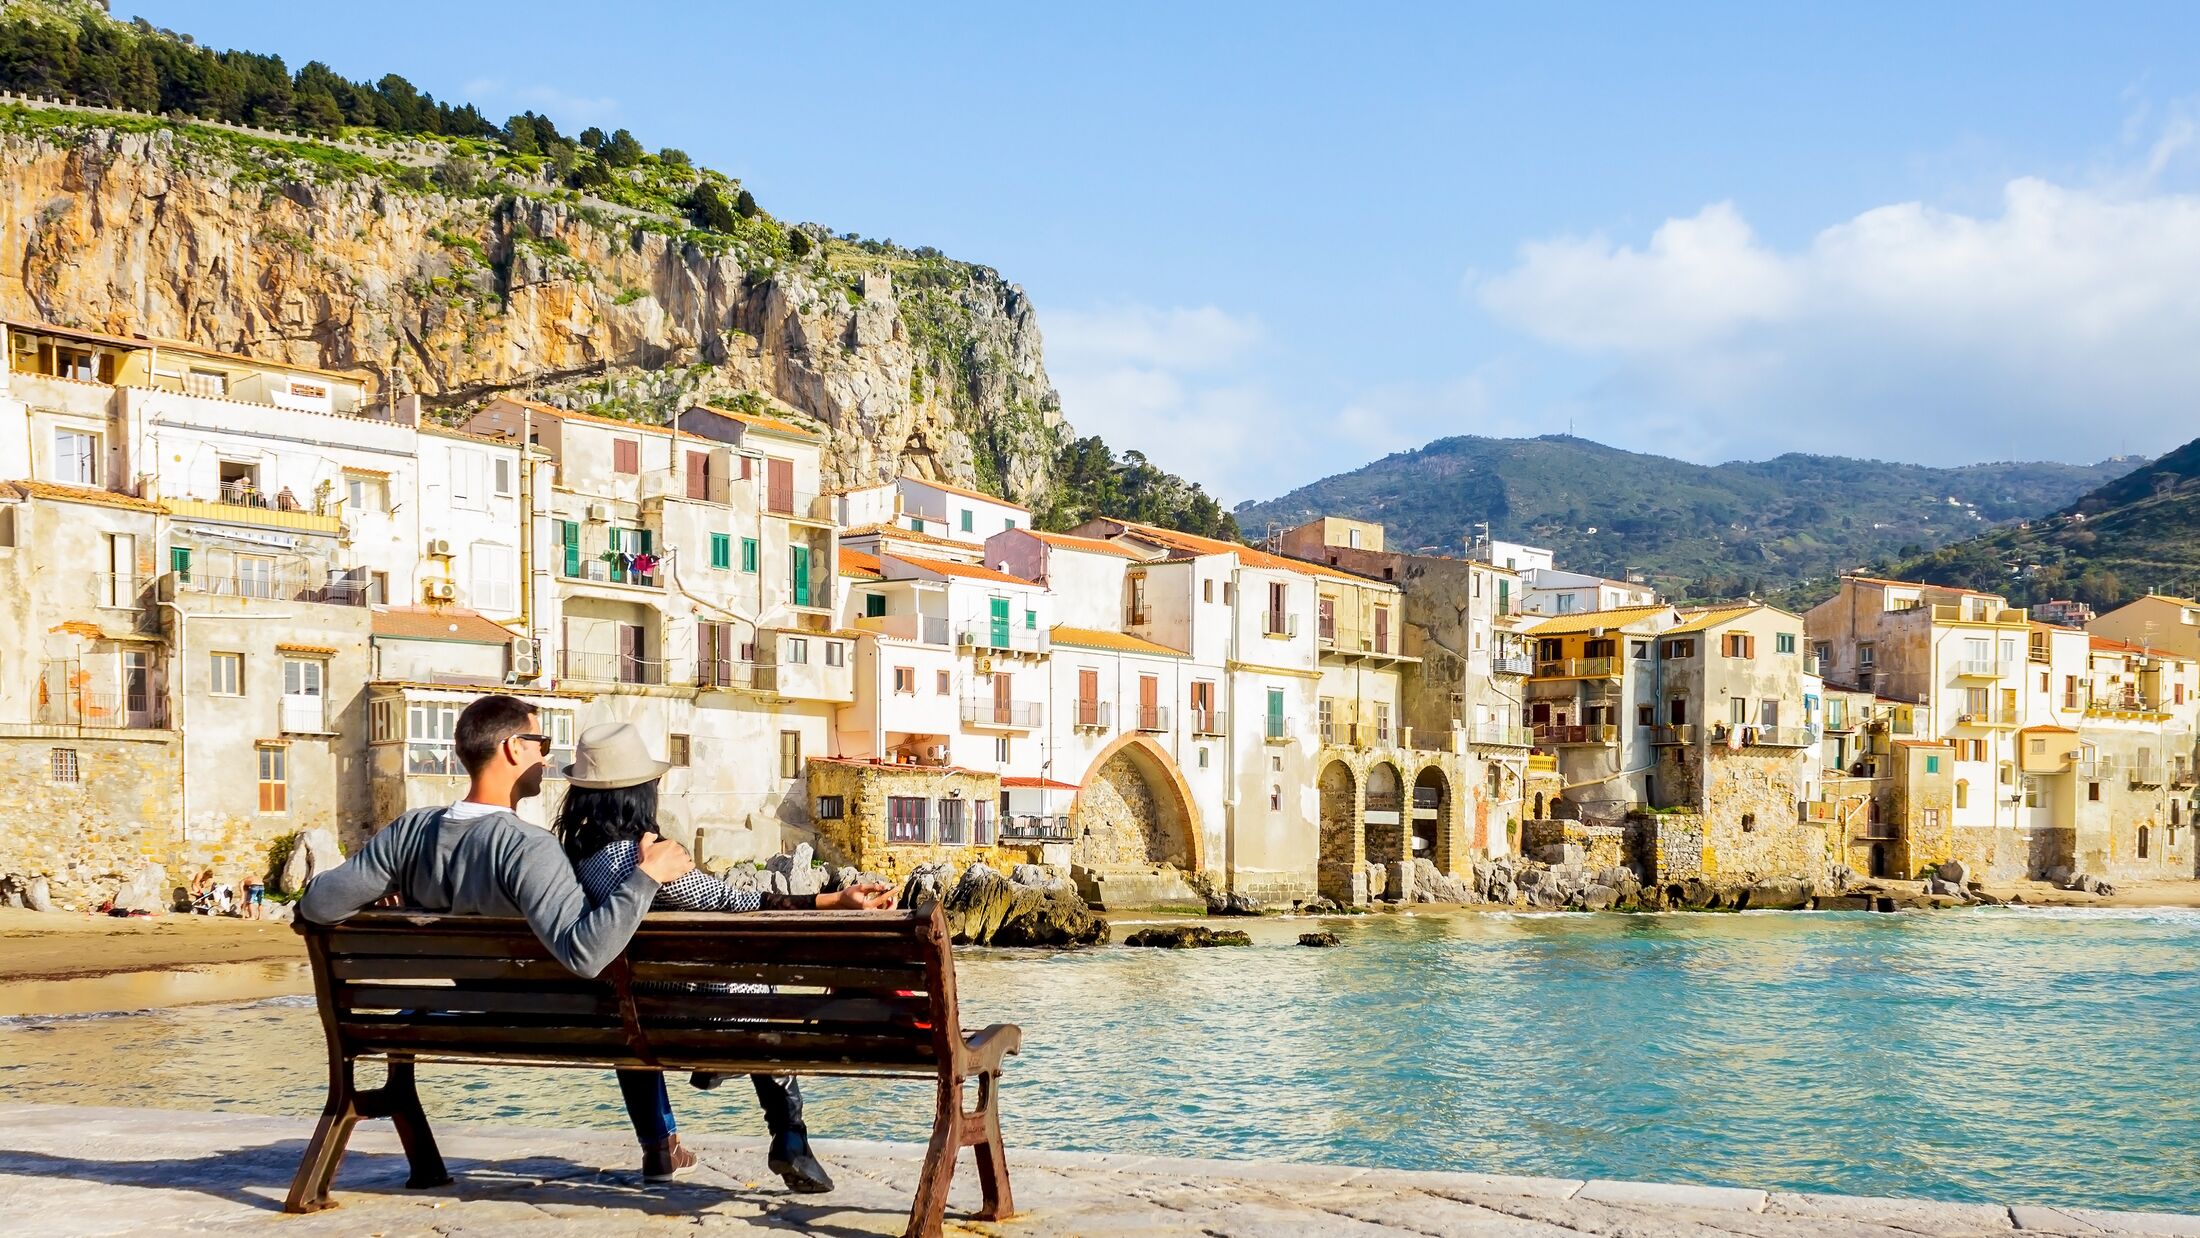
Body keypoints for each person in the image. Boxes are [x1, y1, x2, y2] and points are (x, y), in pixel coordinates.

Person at [298, 696, 697, 1179]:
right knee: (623, 992)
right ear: (512, 748)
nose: (548, 758)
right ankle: (661, 1141)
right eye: (541, 743)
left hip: (463, 1008)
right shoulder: (529, 847)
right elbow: (586, 954)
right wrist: (647, 876)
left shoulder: (408, 833)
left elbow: (317, 905)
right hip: (554, 1017)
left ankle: (663, 1142)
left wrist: (383, 895)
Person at [555, 722, 895, 1192]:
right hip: (711, 1013)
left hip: (633, 1019)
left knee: (662, 1003)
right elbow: (739, 903)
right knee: (757, 993)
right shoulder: (649, 861)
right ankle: (790, 1135)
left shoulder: (574, 862)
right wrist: (835, 902)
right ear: (641, 795)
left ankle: (661, 1144)